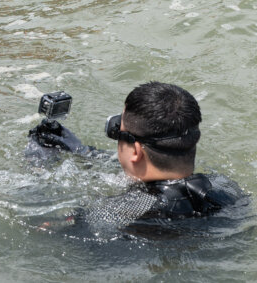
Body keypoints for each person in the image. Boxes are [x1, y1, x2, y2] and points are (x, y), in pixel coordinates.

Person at [28, 81, 244, 235]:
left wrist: (34, 164)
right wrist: (83, 153)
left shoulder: (106, 215)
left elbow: (42, 231)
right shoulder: (227, 190)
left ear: (136, 151)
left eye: (116, 130)